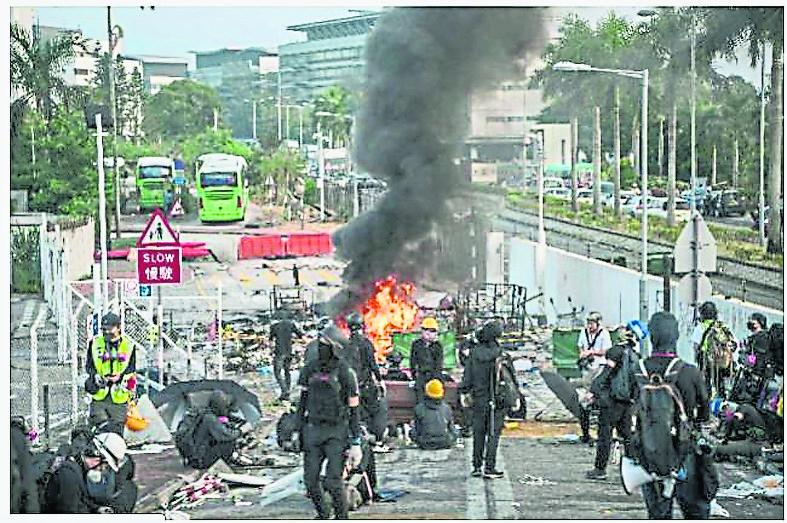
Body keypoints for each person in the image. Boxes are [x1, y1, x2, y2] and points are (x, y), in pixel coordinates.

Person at [636, 312, 711, 519]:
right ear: (676, 337)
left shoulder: (638, 370)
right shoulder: (690, 372)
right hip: (684, 450)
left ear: (651, 337)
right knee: (696, 510)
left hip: (649, 451)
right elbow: (705, 411)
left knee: (658, 512)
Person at [296, 330, 364, 520]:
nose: (321, 347)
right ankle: (324, 515)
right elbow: (301, 403)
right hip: (313, 430)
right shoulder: (309, 369)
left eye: (326, 343)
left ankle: (342, 517)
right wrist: (296, 430)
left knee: (334, 481)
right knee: (310, 481)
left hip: (337, 431)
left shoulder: (345, 372)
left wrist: (356, 442)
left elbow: (354, 410)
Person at [584, 331, 637, 480]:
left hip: (611, 401)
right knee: (627, 436)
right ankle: (634, 469)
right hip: (627, 402)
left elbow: (607, 373)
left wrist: (593, 391)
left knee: (604, 435)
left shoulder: (615, 351)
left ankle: (600, 469)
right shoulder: (634, 355)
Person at [44, 431, 137, 513]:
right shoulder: (68, 475)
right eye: (105, 465)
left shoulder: (78, 470)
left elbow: (81, 499)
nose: (103, 470)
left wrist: (97, 508)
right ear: (96, 454)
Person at [459, 320, 505, 479]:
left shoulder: (474, 353)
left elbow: (467, 377)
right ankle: (490, 466)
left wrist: (464, 392)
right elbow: (506, 378)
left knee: (478, 433)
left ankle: (477, 465)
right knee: (493, 433)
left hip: (478, 399)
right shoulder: (499, 353)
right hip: (496, 399)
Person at [85, 312, 136, 435]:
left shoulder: (129, 345)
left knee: (117, 432)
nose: (107, 332)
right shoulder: (95, 344)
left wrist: (120, 378)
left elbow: (131, 370)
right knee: (99, 429)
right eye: (104, 329)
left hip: (119, 397)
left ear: (118, 328)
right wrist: (97, 376)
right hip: (99, 394)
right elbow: (89, 366)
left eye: (110, 329)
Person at [346, 312, 387, 445]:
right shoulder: (366, 343)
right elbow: (372, 365)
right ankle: (376, 438)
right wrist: (380, 381)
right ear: (362, 327)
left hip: (351, 387)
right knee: (374, 409)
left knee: (354, 412)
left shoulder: (345, 344)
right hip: (365, 386)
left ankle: (358, 434)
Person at [577, 311, 613, 444]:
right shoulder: (583, 332)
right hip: (588, 368)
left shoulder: (604, 334)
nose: (590, 326)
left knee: (599, 397)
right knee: (585, 400)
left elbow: (607, 351)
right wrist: (583, 354)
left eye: (592, 323)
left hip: (600, 367)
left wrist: (592, 352)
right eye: (588, 323)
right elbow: (580, 346)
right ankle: (585, 433)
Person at [691, 301, 735, 399]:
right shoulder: (720, 326)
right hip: (720, 360)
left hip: (705, 360)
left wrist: (697, 357)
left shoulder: (700, 327)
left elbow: (696, 346)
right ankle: (721, 401)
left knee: (706, 384)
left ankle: (707, 402)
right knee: (719, 383)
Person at [412, 379, 458, 450]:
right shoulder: (447, 408)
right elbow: (452, 429)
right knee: (456, 429)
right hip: (445, 442)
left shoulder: (419, 408)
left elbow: (417, 430)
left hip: (425, 443)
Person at [270, 312, 304, 401]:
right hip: (289, 351)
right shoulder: (291, 324)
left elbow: (270, 340)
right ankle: (287, 391)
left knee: (277, 372)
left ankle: (285, 391)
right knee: (287, 371)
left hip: (279, 352)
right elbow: (300, 335)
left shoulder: (274, 326)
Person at [410, 317, 444, 404]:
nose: (429, 333)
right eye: (426, 330)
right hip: (421, 377)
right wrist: (414, 376)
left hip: (434, 377)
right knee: (420, 401)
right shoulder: (417, 344)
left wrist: (435, 380)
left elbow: (438, 364)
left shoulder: (437, 346)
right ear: (422, 331)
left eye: (432, 331)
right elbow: (413, 362)